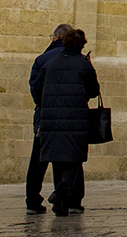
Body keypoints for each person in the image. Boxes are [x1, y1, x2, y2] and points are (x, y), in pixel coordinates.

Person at [33, 28, 101, 217]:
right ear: (82, 45)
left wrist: (48, 107)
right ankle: (60, 193)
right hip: (76, 119)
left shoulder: (50, 64)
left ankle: (60, 206)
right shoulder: (84, 65)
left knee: (58, 160)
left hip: (51, 120)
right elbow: (93, 91)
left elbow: (37, 91)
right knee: (75, 158)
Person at [26, 23, 75, 214]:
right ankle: (65, 202)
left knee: (37, 162)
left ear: (56, 37)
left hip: (45, 118)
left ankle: (32, 201)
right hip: (67, 119)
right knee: (65, 161)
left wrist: (44, 106)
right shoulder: (78, 59)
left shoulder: (42, 59)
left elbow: (35, 88)